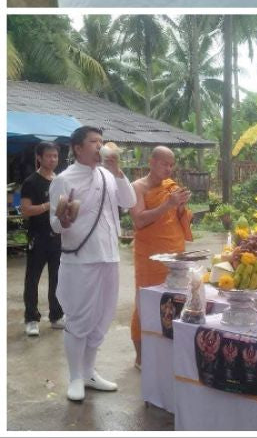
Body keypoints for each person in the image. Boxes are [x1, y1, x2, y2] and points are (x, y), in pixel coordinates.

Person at [50, 126, 136, 402]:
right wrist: (63, 220)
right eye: (93, 142)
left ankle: (89, 372)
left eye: (101, 141)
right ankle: (75, 377)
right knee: (80, 317)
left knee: (102, 317)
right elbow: (54, 223)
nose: (99, 146)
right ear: (77, 148)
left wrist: (118, 172)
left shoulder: (108, 175)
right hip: (80, 258)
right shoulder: (64, 179)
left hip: (109, 255)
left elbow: (130, 201)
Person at [129, 147, 192, 368]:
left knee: (174, 303)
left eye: (171, 164)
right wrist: (168, 204)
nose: (169, 168)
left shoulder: (171, 187)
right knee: (145, 303)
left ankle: (168, 354)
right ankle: (141, 357)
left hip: (174, 252)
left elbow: (180, 219)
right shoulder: (137, 187)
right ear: (152, 161)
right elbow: (139, 220)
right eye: (165, 163)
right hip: (149, 256)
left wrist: (181, 206)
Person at [20, 142, 64, 337]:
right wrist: (49, 205)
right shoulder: (31, 182)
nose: (53, 159)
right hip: (38, 237)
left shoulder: (60, 181)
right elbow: (26, 210)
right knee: (33, 279)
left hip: (58, 238)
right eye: (49, 156)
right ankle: (31, 318)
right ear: (39, 158)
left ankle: (56, 315)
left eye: (55, 156)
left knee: (58, 279)